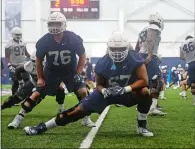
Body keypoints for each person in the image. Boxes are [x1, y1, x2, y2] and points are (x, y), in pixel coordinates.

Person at [23, 31, 153, 137]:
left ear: (127, 48)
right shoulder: (103, 62)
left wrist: (125, 89)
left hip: (127, 93)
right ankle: (43, 127)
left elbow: (144, 81)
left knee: (145, 92)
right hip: (106, 94)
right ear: (109, 48)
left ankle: (142, 125)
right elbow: (99, 85)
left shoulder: (135, 58)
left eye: (121, 49)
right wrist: (103, 91)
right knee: (76, 111)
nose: (117, 52)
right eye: (114, 49)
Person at [7, 12, 95, 129]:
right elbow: (38, 60)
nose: (54, 26)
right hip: (51, 72)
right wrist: (41, 77)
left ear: (63, 24)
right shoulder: (44, 41)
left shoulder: (73, 38)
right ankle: (18, 118)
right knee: (36, 94)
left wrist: (78, 72)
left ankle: (85, 118)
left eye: (57, 23)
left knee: (83, 92)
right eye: (52, 23)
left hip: (70, 71)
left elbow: (82, 56)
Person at [135, 13, 166, 116]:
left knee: (144, 82)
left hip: (140, 55)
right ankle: (152, 107)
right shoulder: (154, 27)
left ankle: (143, 105)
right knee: (158, 81)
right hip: (148, 55)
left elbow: (137, 45)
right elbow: (150, 40)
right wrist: (149, 54)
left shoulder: (143, 29)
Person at [5, 27, 30, 96]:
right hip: (14, 65)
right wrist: (9, 65)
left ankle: (27, 95)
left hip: (23, 64)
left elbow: (26, 53)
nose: (18, 36)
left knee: (27, 80)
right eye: (17, 34)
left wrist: (33, 58)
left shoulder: (23, 42)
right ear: (12, 34)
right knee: (16, 81)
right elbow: (7, 56)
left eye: (19, 34)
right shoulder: (9, 44)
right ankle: (14, 96)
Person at [180, 35, 195, 105]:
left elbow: (181, 57)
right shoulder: (193, 40)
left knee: (193, 83)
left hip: (190, 64)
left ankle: (194, 101)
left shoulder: (182, 45)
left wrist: (189, 58)